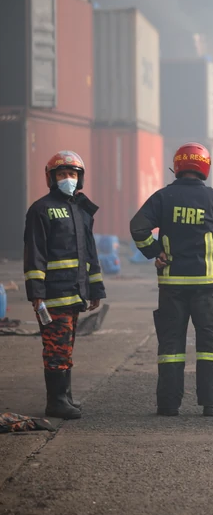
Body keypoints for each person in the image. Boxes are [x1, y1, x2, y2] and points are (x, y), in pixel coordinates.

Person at [129, 142, 213, 417]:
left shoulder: (162, 197)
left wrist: (154, 251)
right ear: (205, 168)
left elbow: (138, 226)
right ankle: (212, 405)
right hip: (208, 286)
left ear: (177, 166)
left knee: (171, 346)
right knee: (210, 345)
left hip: (172, 286)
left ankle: (168, 405)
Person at [23, 151, 106, 420]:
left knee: (66, 346)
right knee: (56, 348)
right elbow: (34, 253)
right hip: (52, 295)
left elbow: (89, 253)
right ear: (51, 178)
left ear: (79, 178)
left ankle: (65, 397)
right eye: (62, 175)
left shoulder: (81, 210)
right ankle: (56, 402)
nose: (67, 178)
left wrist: (95, 289)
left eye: (72, 174)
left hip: (75, 292)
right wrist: (36, 294)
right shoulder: (41, 209)